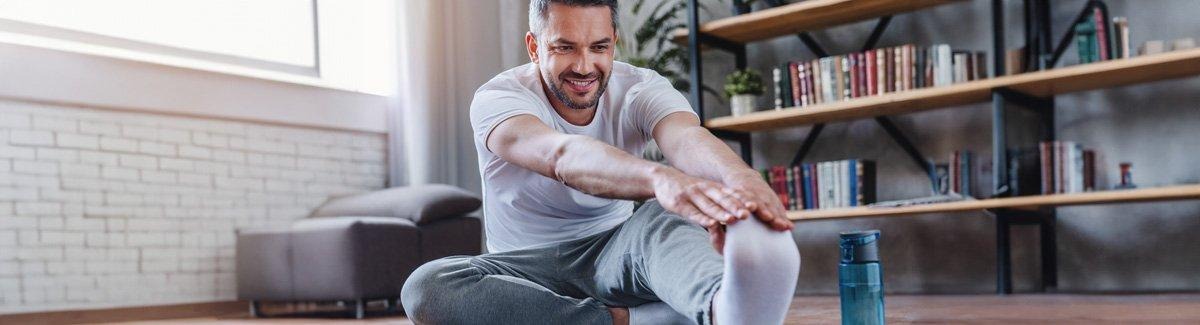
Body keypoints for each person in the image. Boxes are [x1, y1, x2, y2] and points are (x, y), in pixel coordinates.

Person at [401, 0, 800, 324]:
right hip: (524, 272)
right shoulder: (499, 98)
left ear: (614, 42)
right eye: (564, 47)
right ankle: (638, 321)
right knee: (429, 286)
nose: (584, 66)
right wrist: (659, 178)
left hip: (619, 256)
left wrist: (741, 179)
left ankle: (724, 308)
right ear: (534, 46)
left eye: (598, 47)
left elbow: (685, 137)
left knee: (666, 216)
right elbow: (561, 156)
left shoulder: (641, 88)